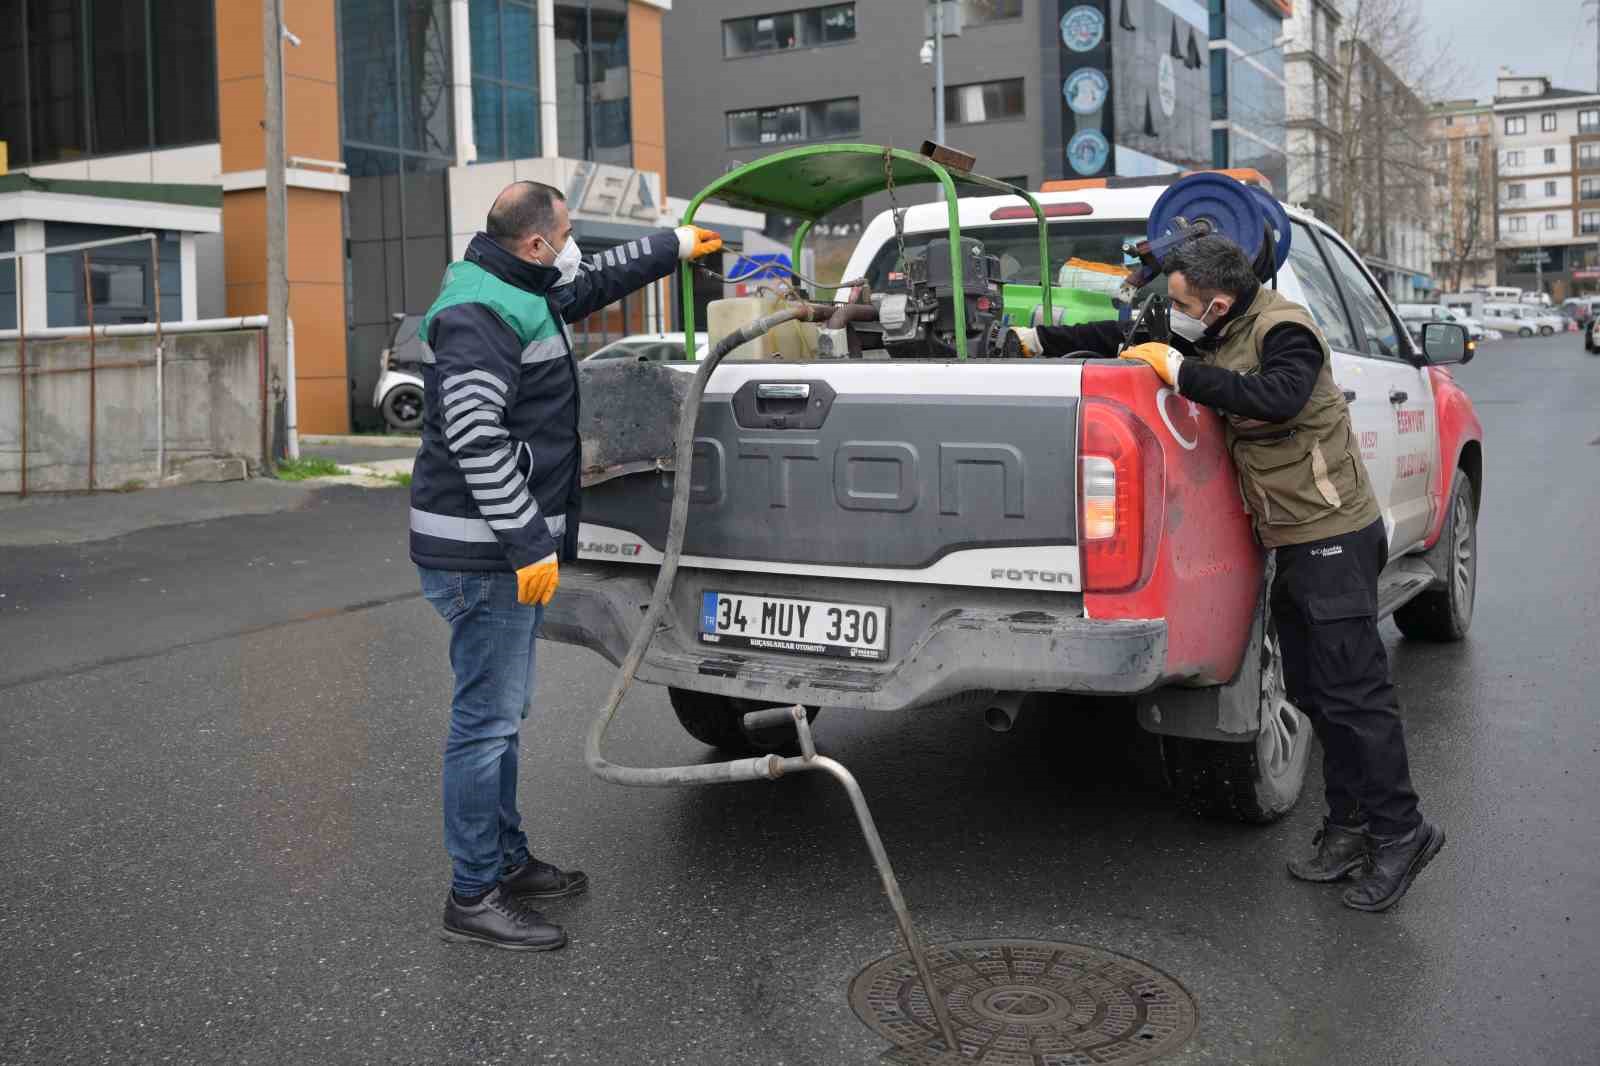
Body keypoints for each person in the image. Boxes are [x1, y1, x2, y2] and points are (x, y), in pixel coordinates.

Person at [1009, 233, 1444, 913]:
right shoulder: (1215, 331)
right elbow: (1124, 336)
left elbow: (1278, 396)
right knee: (1315, 691)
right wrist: (1038, 340)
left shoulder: (1285, 331)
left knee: (1356, 695)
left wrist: (1180, 374)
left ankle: (1402, 831)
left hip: (1333, 534)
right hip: (1291, 539)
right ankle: (1349, 826)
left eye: (1184, 304)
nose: (1175, 315)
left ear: (1218, 301)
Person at [409, 181, 722, 950]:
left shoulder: (519, 283)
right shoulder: (479, 314)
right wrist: (527, 544)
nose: (574, 243)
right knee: (485, 725)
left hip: (498, 551)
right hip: (483, 555)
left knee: (502, 718)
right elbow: (475, 437)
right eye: (568, 230)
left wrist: (672, 246)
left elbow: (593, 281)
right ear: (535, 242)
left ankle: (504, 861)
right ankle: (473, 894)